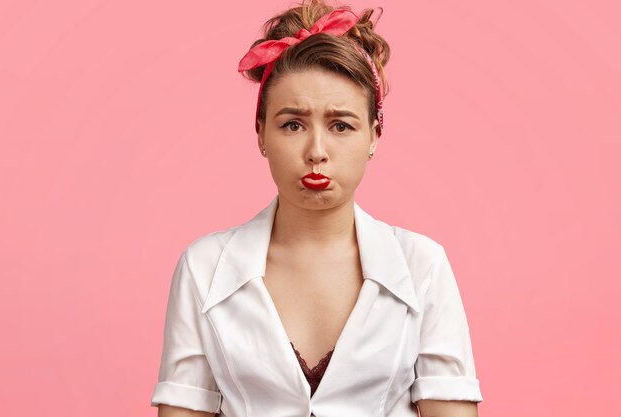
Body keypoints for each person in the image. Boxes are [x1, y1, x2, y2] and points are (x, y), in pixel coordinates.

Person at [150, 1, 483, 416]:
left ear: (375, 135)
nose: (317, 152)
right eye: (293, 124)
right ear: (260, 133)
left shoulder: (422, 265)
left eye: (341, 125)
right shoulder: (203, 267)